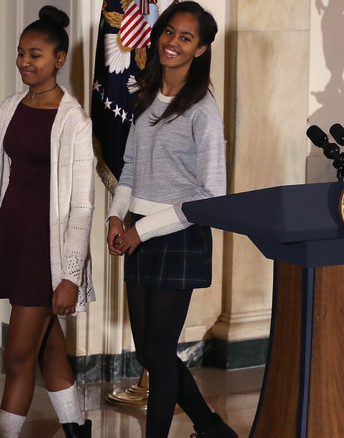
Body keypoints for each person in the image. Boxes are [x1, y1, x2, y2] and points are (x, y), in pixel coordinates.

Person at [105, 2, 235, 437]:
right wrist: (115, 216)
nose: (172, 42)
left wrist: (141, 230)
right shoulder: (145, 93)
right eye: (168, 32)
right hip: (137, 228)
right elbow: (128, 166)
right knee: (150, 353)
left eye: (185, 37)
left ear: (200, 50)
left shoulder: (202, 110)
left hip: (175, 234)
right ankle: (212, 428)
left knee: (159, 354)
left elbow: (210, 195)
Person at [0, 5, 95, 438]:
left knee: (18, 357)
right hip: (12, 240)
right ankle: (78, 429)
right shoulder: (9, 108)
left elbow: (82, 207)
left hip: (49, 253)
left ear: (58, 60)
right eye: (21, 53)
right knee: (48, 350)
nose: (25, 61)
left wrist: (70, 276)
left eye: (36, 54)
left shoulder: (75, 121)